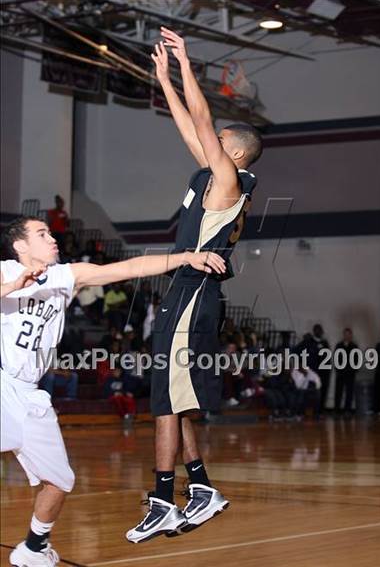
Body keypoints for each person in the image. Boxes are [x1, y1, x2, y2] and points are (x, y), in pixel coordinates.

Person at [0, 215, 225, 566]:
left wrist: (183, 258)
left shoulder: (65, 275)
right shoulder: (5, 270)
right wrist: (12, 287)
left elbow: (129, 267)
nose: (53, 238)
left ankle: (34, 547)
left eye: (51, 232)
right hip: (2, 383)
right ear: (20, 245)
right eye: (42, 234)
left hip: (30, 393)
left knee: (60, 480)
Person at [126, 28, 263, 544]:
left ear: (235, 153)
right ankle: (201, 487)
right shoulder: (211, 176)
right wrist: (164, 79)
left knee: (164, 402)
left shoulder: (229, 184)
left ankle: (164, 499)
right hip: (183, 295)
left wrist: (187, 64)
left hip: (194, 298)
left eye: (220, 142)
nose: (210, 143)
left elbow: (203, 122)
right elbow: (192, 129)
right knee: (172, 397)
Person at [334, 328, 358, 416]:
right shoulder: (339, 346)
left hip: (350, 373)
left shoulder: (354, 346)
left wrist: (354, 370)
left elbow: (357, 360)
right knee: (338, 392)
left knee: (349, 392)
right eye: (345, 334)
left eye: (349, 334)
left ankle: (347, 410)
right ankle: (337, 410)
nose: (347, 336)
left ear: (351, 335)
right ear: (343, 335)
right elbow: (336, 358)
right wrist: (338, 369)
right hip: (340, 373)